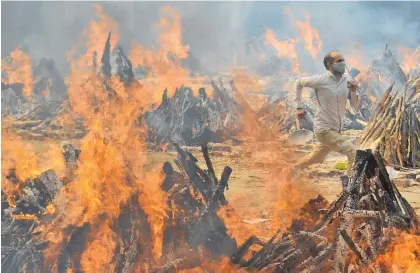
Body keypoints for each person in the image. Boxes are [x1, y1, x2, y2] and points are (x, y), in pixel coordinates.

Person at [292, 51, 360, 178]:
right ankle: (351, 188)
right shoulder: (321, 80)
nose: (343, 63)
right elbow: (298, 83)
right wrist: (298, 107)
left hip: (336, 129)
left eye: (343, 60)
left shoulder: (348, 80)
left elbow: (355, 106)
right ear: (330, 65)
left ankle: (290, 171)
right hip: (324, 129)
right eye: (339, 61)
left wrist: (354, 90)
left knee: (315, 158)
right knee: (352, 152)